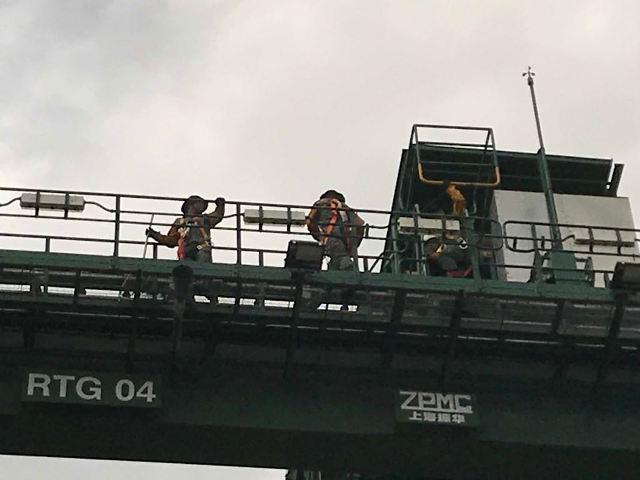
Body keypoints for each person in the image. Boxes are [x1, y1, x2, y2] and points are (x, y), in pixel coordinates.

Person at [146, 195, 225, 263]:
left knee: (203, 264)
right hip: (186, 251)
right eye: (199, 202)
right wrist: (155, 235)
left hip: (202, 248)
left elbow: (217, 216)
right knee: (186, 268)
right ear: (190, 205)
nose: (202, 205)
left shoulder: (205, 219)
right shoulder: (180, 222)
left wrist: (220, 206)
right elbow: (171, 240)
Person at [306, 190, 365, 271]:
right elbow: (360, 224)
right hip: (344, 240)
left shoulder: (319, 205)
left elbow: (309, 222)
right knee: (341, 261)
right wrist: (354, 243)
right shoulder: (346, 208)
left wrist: (319, 237)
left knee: (340, 262)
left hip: (330, 240)